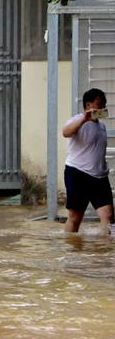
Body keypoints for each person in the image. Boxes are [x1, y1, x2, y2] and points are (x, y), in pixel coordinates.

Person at [62, 88, 113, 235]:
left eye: (104, 103)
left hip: (100, 177)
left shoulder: (101, 126)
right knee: (75, 218)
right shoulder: (77, 120)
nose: (103, 106)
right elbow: (65, 132)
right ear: (89, 105)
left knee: (108, 217)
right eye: (99, 103)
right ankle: (70, 252)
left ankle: (104, 253)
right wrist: (84, 119)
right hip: (78, 174)